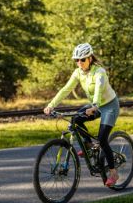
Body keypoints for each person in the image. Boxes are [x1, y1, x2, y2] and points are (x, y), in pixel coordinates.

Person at [44, 43, 121, 186]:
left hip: (109, 106)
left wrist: (94, 106)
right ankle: (90, 145)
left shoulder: (100, 72)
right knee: (75, 120)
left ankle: (113, 172)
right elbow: (66, 89)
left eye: (82, 60)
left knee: (103, 139)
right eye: (76, 60)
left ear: (90, 58)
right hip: (94, 106)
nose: (79, 63)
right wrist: (51, 105)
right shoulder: (78, 72)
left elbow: (98, 90)